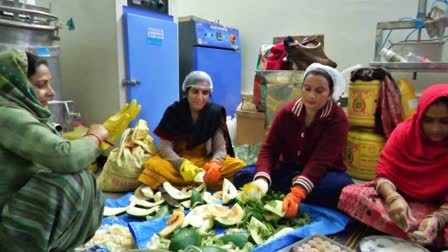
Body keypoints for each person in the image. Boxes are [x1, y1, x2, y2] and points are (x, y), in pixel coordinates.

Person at [0, 49, 109, 251]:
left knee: (85, 178)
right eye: (41, 85)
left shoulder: (24, 112)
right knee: (71, 181)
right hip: (7, 222)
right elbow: (63, 156)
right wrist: (94, 137)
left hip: (16, 207)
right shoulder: (6, 115)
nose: (51, 92)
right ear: (18, 85)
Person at [236, 63, 353, 218]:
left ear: (330, 92)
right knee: (242, 175)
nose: (312, 95)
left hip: (324, 173)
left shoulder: (337, 119)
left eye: (320, 91)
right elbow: (269, 149)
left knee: (340, 189)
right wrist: (262, 180)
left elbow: (321, 161)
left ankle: (295, 191)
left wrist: (298, 191)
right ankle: (293, 188)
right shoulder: (286, 113)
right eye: (307, 88)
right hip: (289, 168)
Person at [338, 84, 448, 247]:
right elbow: (383, 173)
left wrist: (438, 219)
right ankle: (419, 236)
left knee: (435, 227)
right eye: (428, 120)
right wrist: (393, 198)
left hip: (439, 205)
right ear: (419, 117)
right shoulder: (405, 133)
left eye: (445, 122)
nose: (435, 129)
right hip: (402, 199)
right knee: (352, 194)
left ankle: (415, 231)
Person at [138, 71, 245, 190]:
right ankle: (203, 184)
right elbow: (164, 148)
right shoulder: (174, 111)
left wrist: (215, 164)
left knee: (239, 167)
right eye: (195, 91)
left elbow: (220, 149)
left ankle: (178, 184)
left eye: (205, 93)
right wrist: (181, 164)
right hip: (176, 161)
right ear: (187, 92)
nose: (200, 97)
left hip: (205, 160)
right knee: (152, 166)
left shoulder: (214, 113)